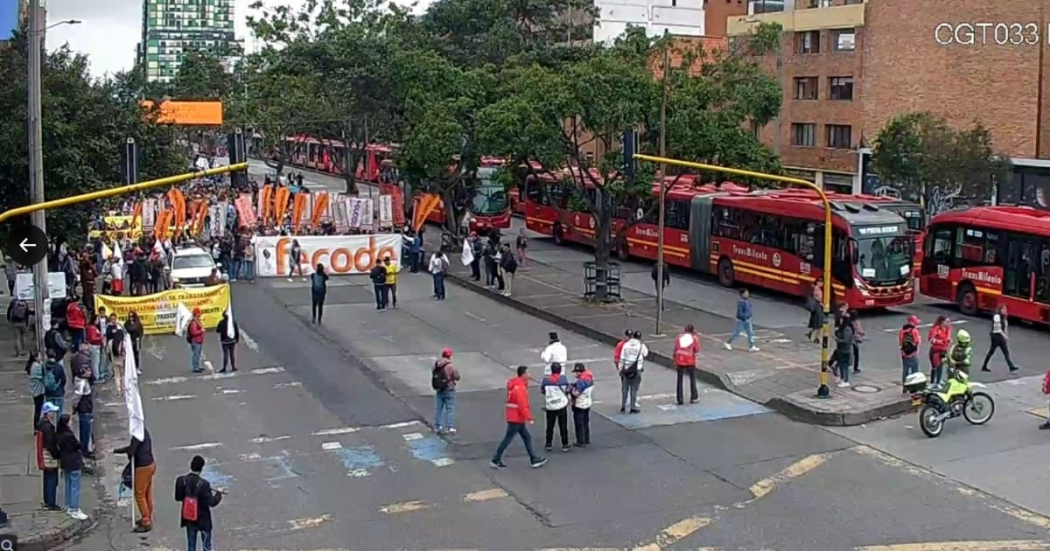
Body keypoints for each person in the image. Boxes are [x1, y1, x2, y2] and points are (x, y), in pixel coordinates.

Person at [490, 366, 547, 469]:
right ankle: (496, 458)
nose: (530, 375)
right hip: (516, 418)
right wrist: (529, 418)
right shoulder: (520, 388)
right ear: (523, 374)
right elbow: (522, 405)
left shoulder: (516, 385)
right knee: (509, 439)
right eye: (528, 373)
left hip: (514, 416)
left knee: (526, 437)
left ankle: (533, 459)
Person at [175, 455, 224, 551]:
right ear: (201, 468)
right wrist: (218, 493)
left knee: (191, 546)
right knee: (206, 547)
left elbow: (178, 498)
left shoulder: (181, 480)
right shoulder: (204, 484)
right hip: (203, 520)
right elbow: (212, 502)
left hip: (189, 518)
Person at [115, 427, 156, 532]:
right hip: (150, 464)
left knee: (139, 494)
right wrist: (119, 450)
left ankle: (146, 521)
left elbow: (132, 450)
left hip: (142, 467)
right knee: (147, 492)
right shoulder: (143, 431)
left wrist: (126, 452)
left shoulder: (137, 435)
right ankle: (147, 515)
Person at [56, 414, 88, 520]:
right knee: (75, 486)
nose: (71, 422)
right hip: (73, 462)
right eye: (70, 421)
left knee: (68, 484)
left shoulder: (59, 433)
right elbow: (78, 445)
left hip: (65, 462)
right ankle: (74, 508)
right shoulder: (68, 435)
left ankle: (69, 505)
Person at [540, 362, 572, 452]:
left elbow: (543, 391)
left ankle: (548, 444)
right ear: (560, 370)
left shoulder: (545, 380)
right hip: (561, 405)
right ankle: (565, 444)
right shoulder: (563, 379)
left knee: (550, 426)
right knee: (563, 426)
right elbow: (567, 390)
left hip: (550, 406)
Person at [36, 402, 61, 511]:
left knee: (47, 479)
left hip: (44, 455)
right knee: (52, 480)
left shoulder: (41, 424)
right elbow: (51, 444)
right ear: (47, 413)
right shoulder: (49, 427)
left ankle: (47, 501)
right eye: (52, 411)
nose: (54, 413)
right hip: (49, 457)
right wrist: (57, 455)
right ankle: (51, 503)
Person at [432, 348, 461, 434]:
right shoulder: (451, 366)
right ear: (450, 356)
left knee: (438, 408)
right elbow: (457, 377)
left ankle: (437, 426)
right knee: (449, 408)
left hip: (439, 389)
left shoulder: (436, 365)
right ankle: (449, 427)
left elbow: (434, 373)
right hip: (449, 389)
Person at [982, 304, 1019, 372]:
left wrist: (1005, 320)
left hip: (1000, 336)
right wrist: (1004, 336)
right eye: (1004, 309)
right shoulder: (997, 316)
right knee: (991, 351)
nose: (1005, 311)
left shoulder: (1003, 317)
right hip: (995, 336)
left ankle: (1011, 366)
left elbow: (1005, 327)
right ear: (1000, 309)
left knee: (1006, 351)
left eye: (1005, 310)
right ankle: (984, 366)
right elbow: (997, 329)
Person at [618, 331, 648, 414]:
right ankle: (632, 407)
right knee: (634, 389)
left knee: (625, 388)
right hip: (637, 369)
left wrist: (620, 369)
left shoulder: (626, 345)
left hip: (626, 369)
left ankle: (623, 406)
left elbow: (622, 358)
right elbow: (646, 354)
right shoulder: (641, 346)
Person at [71, 354, 94, 459]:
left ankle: (85, 448)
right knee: (85, 430)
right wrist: (74, 406)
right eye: (86, 369)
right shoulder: (81, 383)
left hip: (85, 408)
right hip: (85, 409)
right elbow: (77, 396)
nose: (89, 371)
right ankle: (85, 450)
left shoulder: (82, 381)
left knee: (86, 429)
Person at [674, 324, 701, 405]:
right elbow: (697, 349)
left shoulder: (679, 337)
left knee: (679, 379)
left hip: (679, 359)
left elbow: (675, 348)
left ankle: (680, 399)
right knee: (692, 378)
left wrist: (674, 357)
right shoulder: (694, 338)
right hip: (689, 359)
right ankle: (694, 396)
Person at [569, 363, 593, 447]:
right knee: (585, 421)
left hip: (579, 404)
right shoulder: (589, 378)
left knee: (579, 423)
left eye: (576, 372)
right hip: (587, 402)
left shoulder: (581, 381)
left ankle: (580, 441)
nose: (575, 374)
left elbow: (576, 393)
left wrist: (571, 389)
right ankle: (586, 438)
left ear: (579, 372)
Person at [899, 315, 922, 393]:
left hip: (904, 353)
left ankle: (905, 387)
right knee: (914, 371)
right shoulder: (914, 331)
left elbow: (900, 342)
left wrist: (903, 351)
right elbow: (917, 342)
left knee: (905, 370)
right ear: (912, 322)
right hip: (913, 354)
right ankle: (913, 387)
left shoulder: (902, 330)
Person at [832, 310, 856, 388]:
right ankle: (843, 379)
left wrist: (837, 339)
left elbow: (846, 340)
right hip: (842, 349)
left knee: (844, 366)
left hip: (844, 350)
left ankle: (845, 380)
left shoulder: (847, 329)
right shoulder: (845, 328)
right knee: (842, 366)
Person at [928, 315, 952, 386]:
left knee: (941, 366)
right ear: (942, 322)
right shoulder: (935, 329)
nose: (948, 323)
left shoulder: (948, 329)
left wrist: (949, 340)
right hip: (936, 351)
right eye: (947, 321)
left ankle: (938, 381)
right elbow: (931, 339)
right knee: (936, 367)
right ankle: (933, 382)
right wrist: (940, 341)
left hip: (944, 350)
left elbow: (947, 338)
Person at [43, 350, 66, 414]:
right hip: (59, 393)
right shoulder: (59, 367)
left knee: (49, 413)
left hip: (49, 394)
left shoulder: (44, 368)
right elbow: (64, 380)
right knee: (59, 413)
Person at [27, 351, 45, 429]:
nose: (41, 357)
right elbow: (42, 375)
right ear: (35, 357)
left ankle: (36, 426)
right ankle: (36, 427)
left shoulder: (33, 366)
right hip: (38, 391)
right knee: (38, 410)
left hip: (35, 391)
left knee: (38, 409)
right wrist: (41, 365)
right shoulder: (37, 366)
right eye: (40, 356)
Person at [188, 308, 205, 373]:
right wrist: (201, 331)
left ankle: (197, 366)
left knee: (198, 354)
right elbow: (193, 332)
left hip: (199, 340)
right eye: (199, 314)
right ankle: (195, 367)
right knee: (196, 354)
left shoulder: (196, 321)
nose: (200, 315)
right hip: (196, 341)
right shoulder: (193, 323)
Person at [86, 317, 103, 381]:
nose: (98, 321)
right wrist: (100, 337)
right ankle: (96, 377)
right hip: (94, 346)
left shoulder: (92, 327)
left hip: (94, 346)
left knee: (94, 362)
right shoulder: (93, 328)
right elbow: (93, 338)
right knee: (95, 362)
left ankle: (95, 376)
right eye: (97, 319)